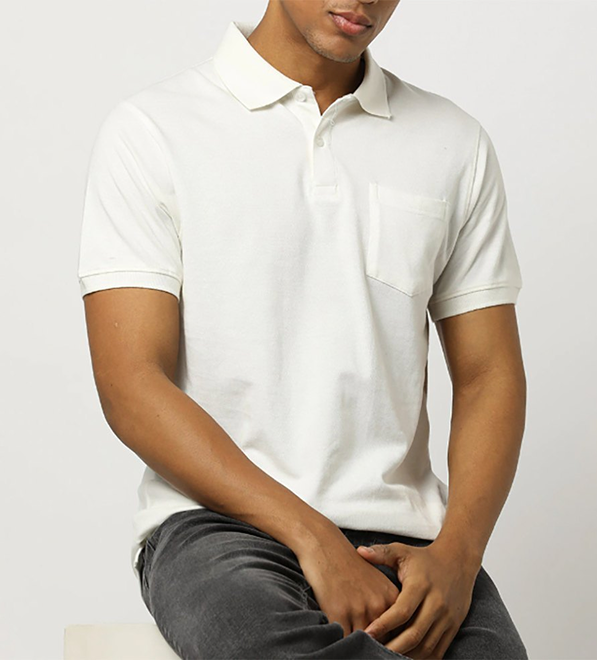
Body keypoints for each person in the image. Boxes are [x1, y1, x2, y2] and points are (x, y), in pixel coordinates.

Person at [77, 1, 529, 658]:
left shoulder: (453, 143)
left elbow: (490, 375)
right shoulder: (153, 131)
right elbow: (131, 383)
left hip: (408, 540)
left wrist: (459, 555)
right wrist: (313, 537)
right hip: (216, 527)